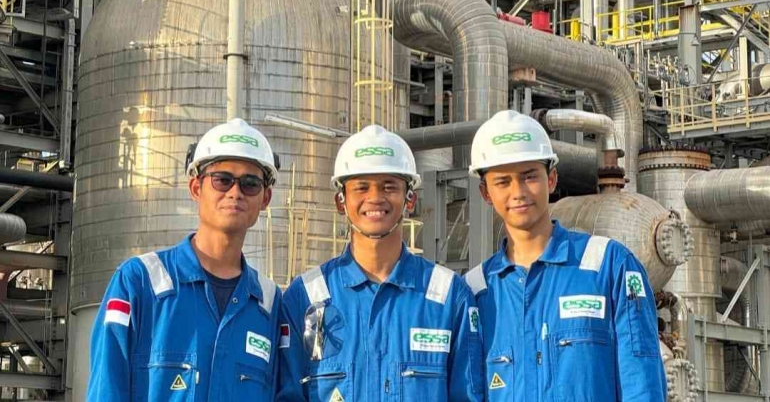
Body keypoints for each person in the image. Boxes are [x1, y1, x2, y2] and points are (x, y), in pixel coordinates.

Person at [465, 110, 666, 401]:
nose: (518, 192)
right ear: (486, 193)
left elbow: (642, 387)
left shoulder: (609, 268)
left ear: (551, 179)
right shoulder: (475, 291)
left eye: (529, 176)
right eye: (503, 182)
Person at [278, 125, 484, 402]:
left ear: (410, 199)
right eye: (361, 187)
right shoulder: (304, 297)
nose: (375, 198)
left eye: (389, 186)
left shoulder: (449, 296)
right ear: (341, 201)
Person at [87, 118, 282, 401]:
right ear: (195, 188)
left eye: (250, 184)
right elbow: (106, 389)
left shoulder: (269, 305)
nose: (235, 193)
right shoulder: (139, 284)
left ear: (265, 198)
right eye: (222, 180)